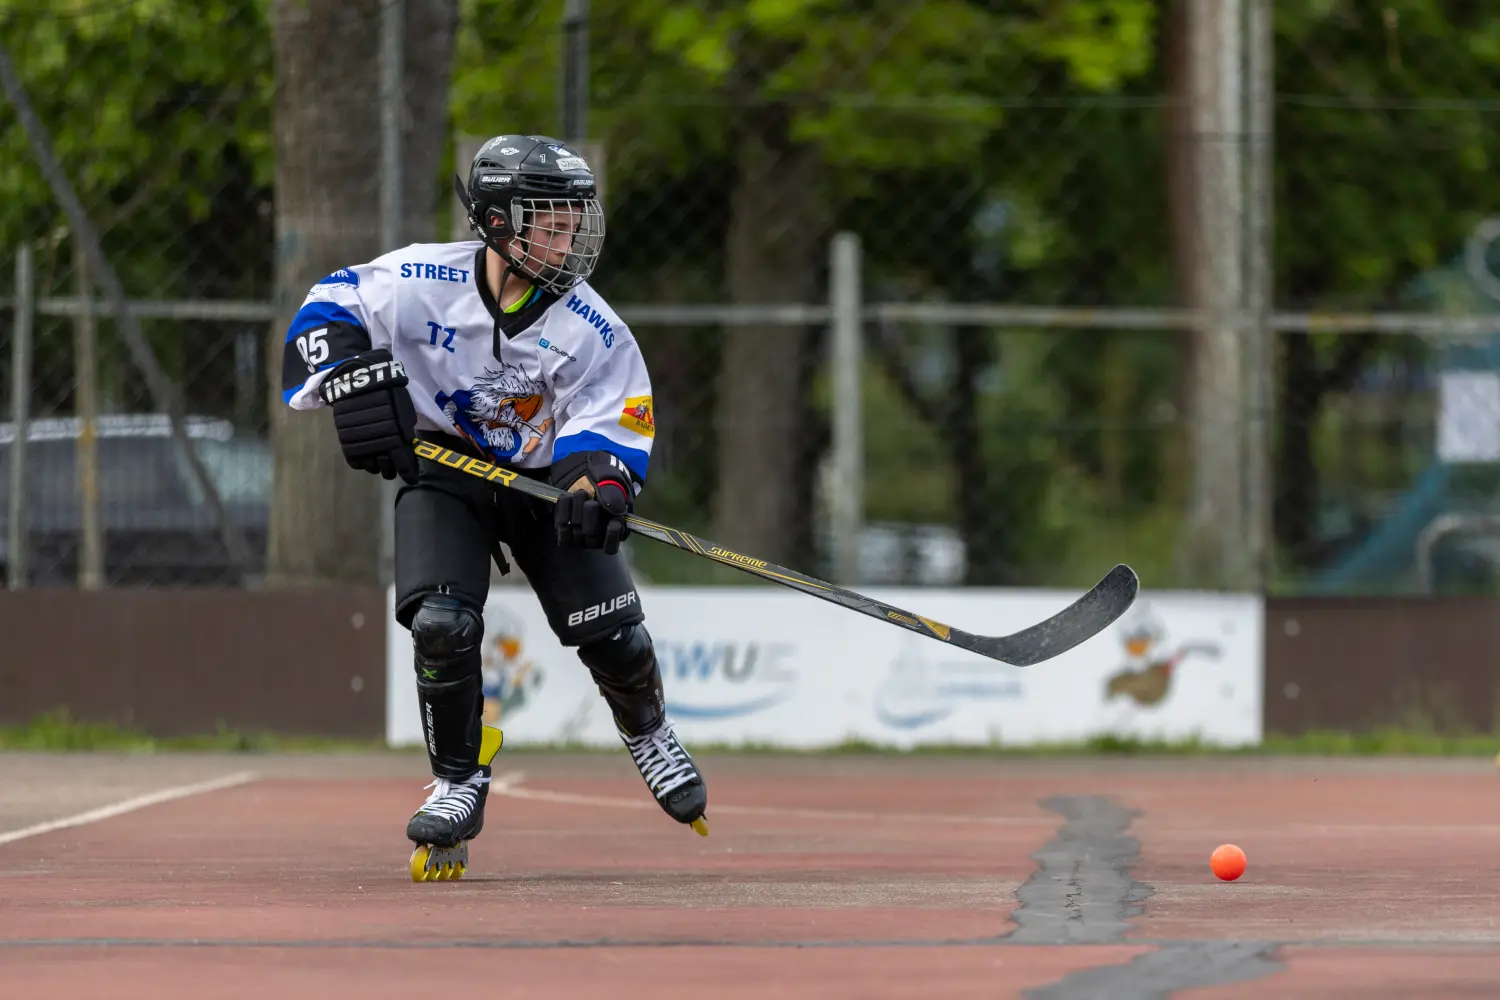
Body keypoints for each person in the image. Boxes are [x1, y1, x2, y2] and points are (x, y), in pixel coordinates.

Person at [280, 134, 708, 881]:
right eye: (550, 217)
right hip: (446, 470)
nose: (568, 233)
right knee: (442, 624)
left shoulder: (592, 326)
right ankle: (457, 779)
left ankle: (648, 731)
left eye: (575, 217)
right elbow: (327, 307)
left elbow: (613, 418)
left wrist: (598, 486)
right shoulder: (418, 278)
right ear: (499, 222)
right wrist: (352, 379)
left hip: (544, 483)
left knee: (615, 639)